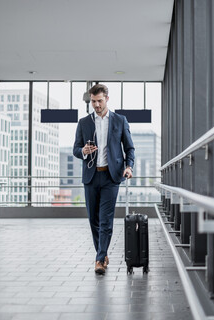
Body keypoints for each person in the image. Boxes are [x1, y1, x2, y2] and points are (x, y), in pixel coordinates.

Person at [73, 83, 135, 275]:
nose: (96, 105)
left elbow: (129, 148)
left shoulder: (119, 120)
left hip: (111, 176)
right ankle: (102, 253)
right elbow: (75, 149)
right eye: (93, 101)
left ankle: (100, 259)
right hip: (91, 177)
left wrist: (129, 166)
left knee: (106, 219)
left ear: (107, 99)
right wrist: (82, 151)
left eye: (99, 101)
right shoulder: (84, 123)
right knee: (93, 220)